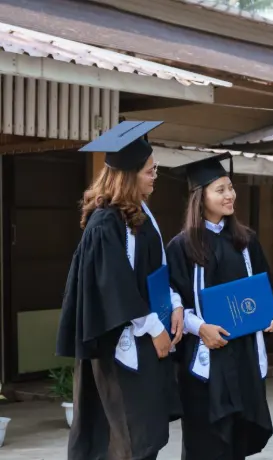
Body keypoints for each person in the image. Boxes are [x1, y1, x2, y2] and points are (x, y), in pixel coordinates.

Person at [56, 121, 184, 460]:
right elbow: (113, 285)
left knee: (145, 435)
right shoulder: (105, 222)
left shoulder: (141, 215)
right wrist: (154, 327)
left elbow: (155, 270)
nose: (155, 177)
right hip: (117, 345)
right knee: (124, 439)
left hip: (145, 340)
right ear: (128, 176)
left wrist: (174, 303)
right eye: (150, 171)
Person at [165, 153, 273, 460]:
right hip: (204, 359)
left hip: (243, 357)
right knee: (204, 444)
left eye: (231, 188)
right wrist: (200, 328)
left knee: (237, 441)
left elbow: (266, 293)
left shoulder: (246, 241)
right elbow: (171, 300)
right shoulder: (181, 246)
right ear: (200, 197)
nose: (230, 195)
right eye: (220, 190)